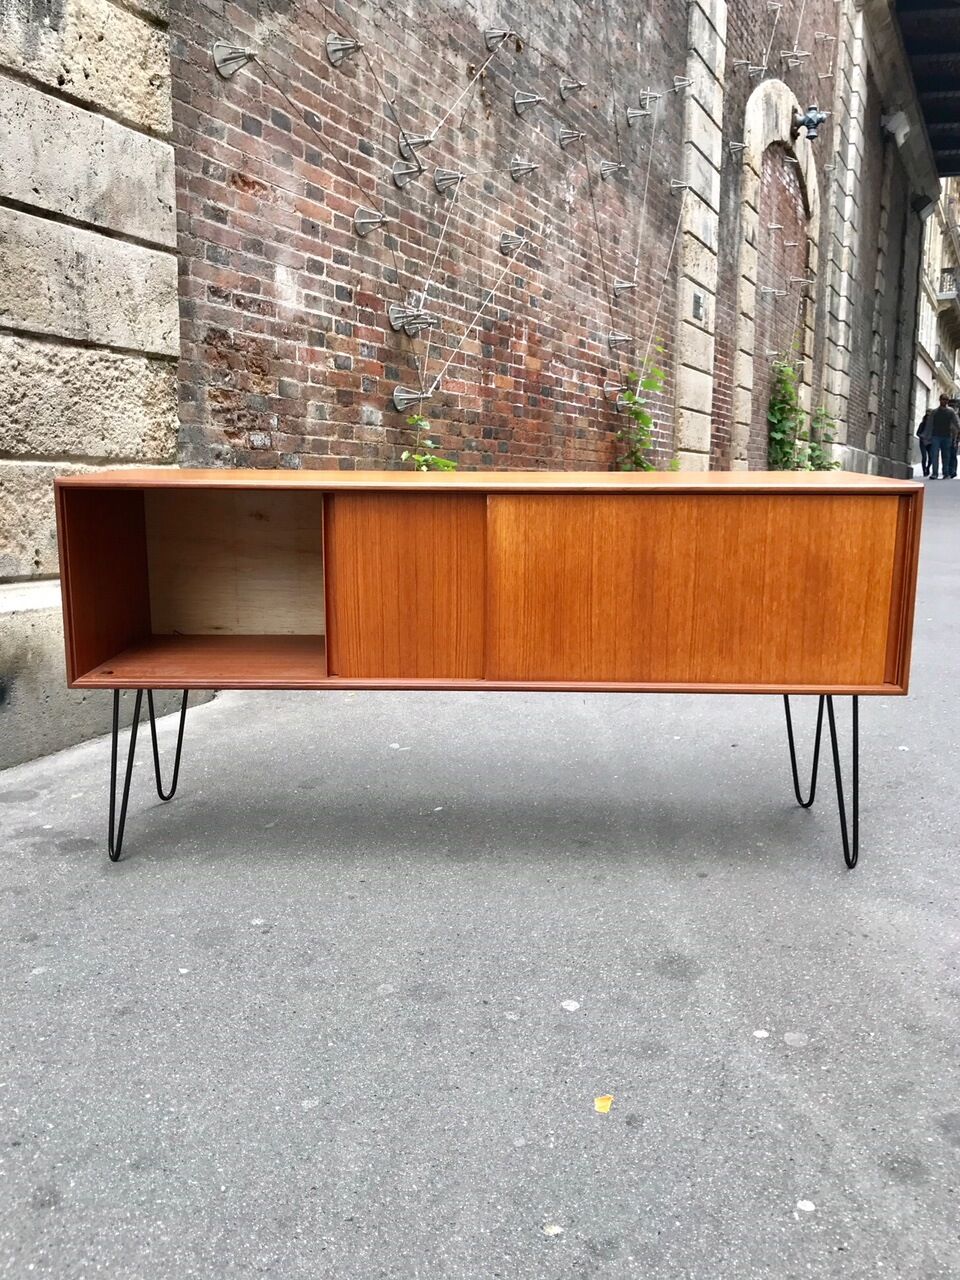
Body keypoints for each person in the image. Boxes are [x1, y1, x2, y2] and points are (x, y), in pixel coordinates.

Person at [926, 394, 960, 479]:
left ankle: (946, 473)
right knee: (934, 455)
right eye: (943, 399)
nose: (944, 401)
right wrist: (927, 436)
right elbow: (929, 424)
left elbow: (956, 422)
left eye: (946, 400)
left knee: (946, 455)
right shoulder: (934, 412)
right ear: (940, 400)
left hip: (947, 436)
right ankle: (934, 473)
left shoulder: (951, 412)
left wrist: (958, 429)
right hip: (935, 436)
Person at [917, 407, 933, 477]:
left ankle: (928, 468)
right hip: (923, 442)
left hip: (930, 443)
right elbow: (917, 433)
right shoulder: (922, 424)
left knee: (931, 457)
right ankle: (924, 471)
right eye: (928, 415)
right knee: (924, 457)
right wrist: (922, 436)